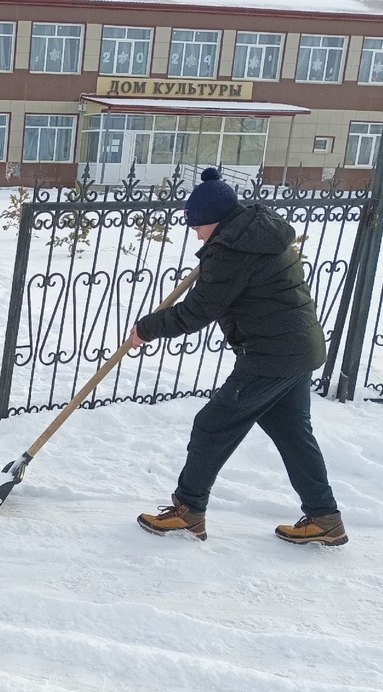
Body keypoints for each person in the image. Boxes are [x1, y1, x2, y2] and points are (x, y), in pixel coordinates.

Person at [132, 168, 346, 546]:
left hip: (271, 356)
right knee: (294, 435)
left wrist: (146, 329)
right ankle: (325, 517)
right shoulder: (254, 230)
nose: (196, 235)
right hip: (297, 348)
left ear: (215, 221)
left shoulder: (233, 250)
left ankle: (189, 510)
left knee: (211, 426)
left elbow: (198, 311)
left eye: (198, 227)